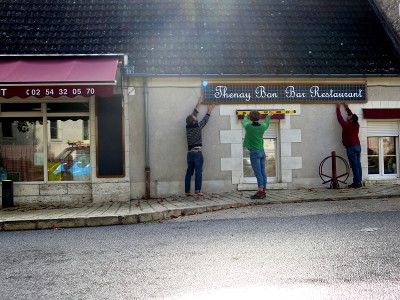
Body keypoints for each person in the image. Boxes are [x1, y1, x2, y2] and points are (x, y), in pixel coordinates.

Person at [185, 93, 215, 196]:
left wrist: (199, 102)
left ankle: (187, 191)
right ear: (193, 121)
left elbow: (194, 113)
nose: (196, 117)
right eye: (195, 118)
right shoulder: (197, 127)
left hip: (189, 153)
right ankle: (198, 191)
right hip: (197, 153)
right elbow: (205, 121)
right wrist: (209, 110)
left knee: (189, 172)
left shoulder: (188, 127)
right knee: (198, 172)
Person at [242, 110, 272, 199]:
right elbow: (266, 123)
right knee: (263, 172)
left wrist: (245, 116)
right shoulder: (262, 127)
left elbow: (244, 122)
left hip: (254, 153)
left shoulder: (248, 127)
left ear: (250, 118)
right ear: (259, 118)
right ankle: (263, 191)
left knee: (258, 173)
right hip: (262, 152)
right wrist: (268, 116)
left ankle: (260, 192)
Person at [336, 103, 362, 188]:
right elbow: (352, 115)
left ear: (351, 120)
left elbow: (340, 119)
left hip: (351, 147)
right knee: (358, 165)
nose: (348, 116)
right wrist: (347, 108)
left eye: (349, 117)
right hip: (358, 147)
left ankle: (357, 183)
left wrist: (338, 108)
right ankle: (358, 181)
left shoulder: (347, 126)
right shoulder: (356, 125)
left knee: (354, 165)